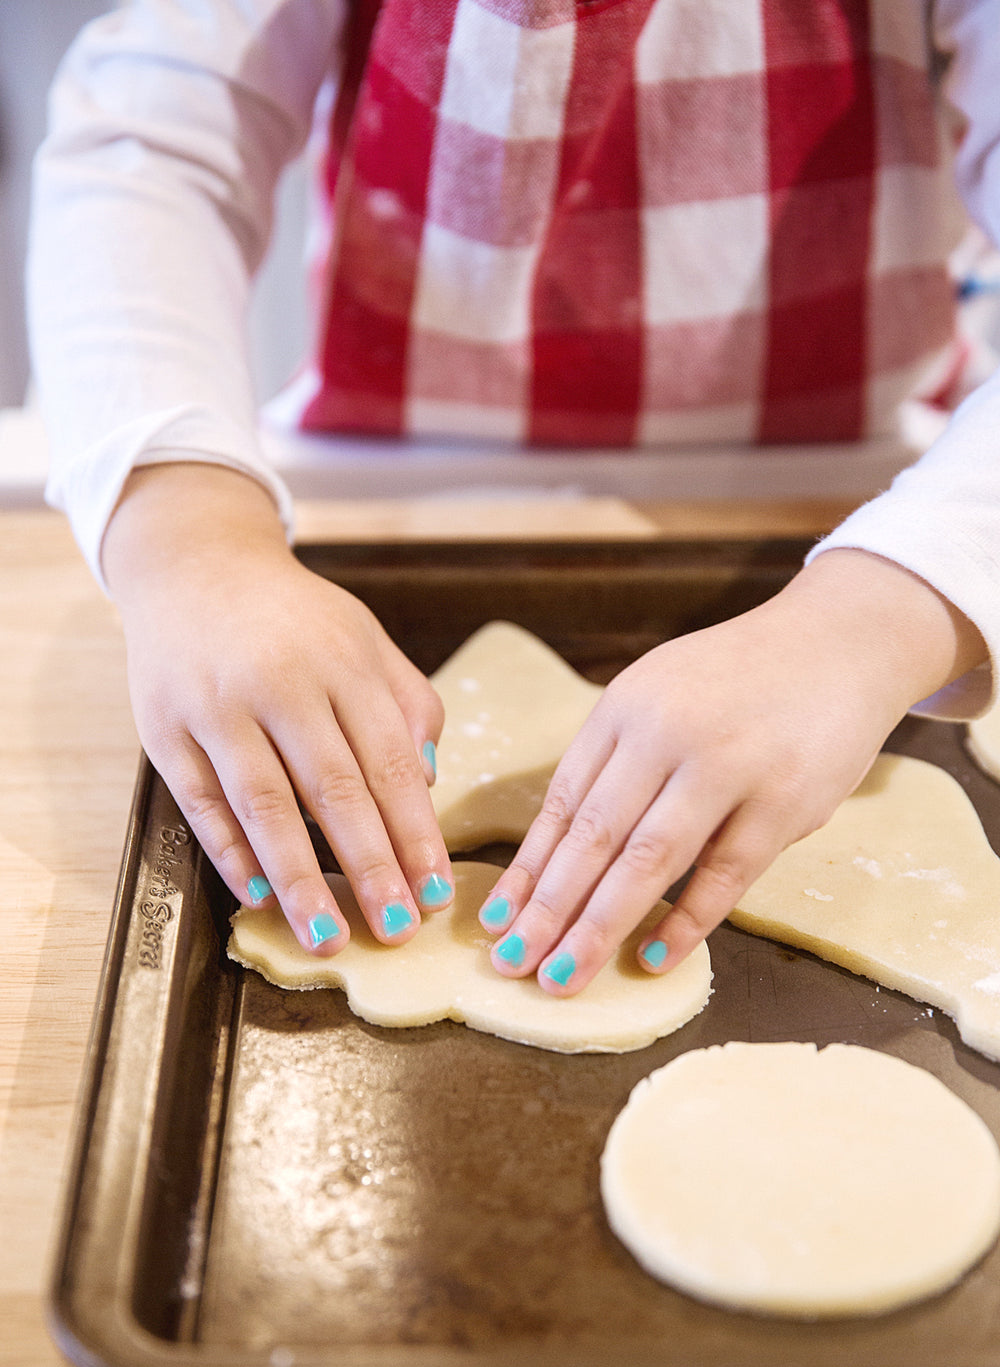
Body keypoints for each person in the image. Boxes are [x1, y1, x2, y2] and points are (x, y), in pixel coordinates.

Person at [27, 0, 1000, 998]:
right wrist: (190, 539)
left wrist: (883, 614)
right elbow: (150, 142)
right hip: (390, 483)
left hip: (856, 490)